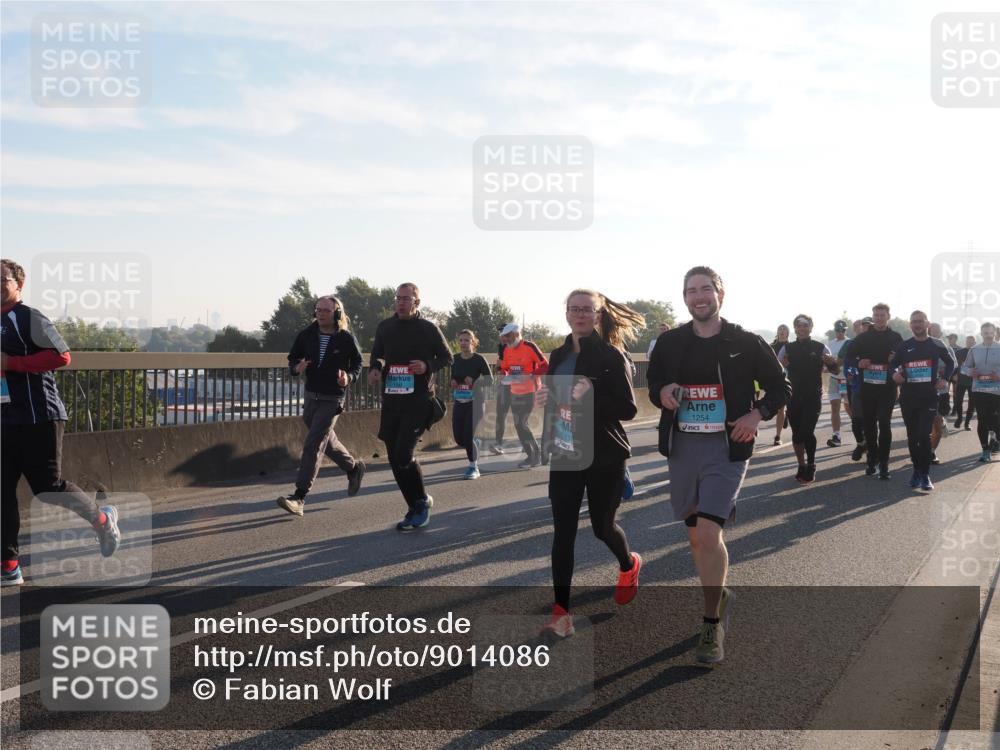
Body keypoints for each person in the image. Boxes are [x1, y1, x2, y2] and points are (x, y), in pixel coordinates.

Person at [648, 266, 790, 664]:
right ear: (685, 298)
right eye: (691, 290)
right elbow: (654, 385)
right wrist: (664, 391)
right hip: (682, 448)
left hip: (727, 448)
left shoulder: (745, 342)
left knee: (710, 533)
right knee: (696, 537)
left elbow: (781, 387)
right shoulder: (671, 342)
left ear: (720, 295)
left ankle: (711, 623)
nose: (699, 296)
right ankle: (719, 592)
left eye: (706, 289)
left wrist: (756, 415)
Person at [1, 259, 120, 585]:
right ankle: (8, 564)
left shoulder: (28, 317)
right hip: (4, 419)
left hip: (39, 416)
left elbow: (60, 355)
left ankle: (101, 520)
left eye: (2, 279)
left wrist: (11, 362)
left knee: (47, 488)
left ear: (18, 285)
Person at [537, 289, 645, 637]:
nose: (580, 314)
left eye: (587, 309)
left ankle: (628, 564)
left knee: (602, 527)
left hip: (605, 455)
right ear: (567, 314)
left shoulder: (612, 355)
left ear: (598, 315)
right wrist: (546, 399)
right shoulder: (558, 355)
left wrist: (590, 395)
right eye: (574, 309)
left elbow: (627, 408)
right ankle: (561, 613)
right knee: (563, 533)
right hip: (566, 452)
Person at [368, 283, 453, 530]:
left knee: (404, 454)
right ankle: (415, 505)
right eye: (398, 298)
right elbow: (378, 354)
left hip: (418, 401)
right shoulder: (385, 327)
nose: (401, 302)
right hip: (392, 399)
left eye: (406, 298)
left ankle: (421, 503)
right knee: (394, 457)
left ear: (417, 302)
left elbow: (447, 357)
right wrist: (375, 368)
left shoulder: (428, 328)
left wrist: (427, 366)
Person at [276, 296, 365, 516]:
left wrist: (348, 378)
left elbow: (358, 364)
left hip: (332, 398)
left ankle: (299, 496)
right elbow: (292, 359)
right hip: (311, 396)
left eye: (326, 310)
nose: (321, 314)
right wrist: (297, 368)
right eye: (318, 310)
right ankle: (353, 468)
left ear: (337, 314)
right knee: (327, 440)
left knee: (313, 443)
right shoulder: (306, 335)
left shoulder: (345, 338)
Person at [891, 311, 956, 490]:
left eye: (920, 321)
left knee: (923, 435)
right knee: (912, 437)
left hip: (929, 397)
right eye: (914, 322)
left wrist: (945, 379)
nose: (917, 324)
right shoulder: (905, 346)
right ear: (910, 325)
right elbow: (893, 364)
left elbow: (951, 363)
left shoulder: (936, 344)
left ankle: (925, 475)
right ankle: (916, 471)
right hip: (908, 398)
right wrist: (894, 374)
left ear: (927, 324)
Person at [778, 315, 839, 483]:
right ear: (795, 328)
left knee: (807, 431)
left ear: (811, 327)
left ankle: (811, 464)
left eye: (805, 325)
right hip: (794, 397)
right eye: (799, 325)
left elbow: (835, 371)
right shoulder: (786, 348)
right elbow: (777, 371)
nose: (802, 328)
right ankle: (801, 465)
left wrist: (831, 363)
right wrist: (783, 367)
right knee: (797, 435)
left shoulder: (821, 347)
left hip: (813, 397)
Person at [852, 303, 904, 480]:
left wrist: (896, 359)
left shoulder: (896, 337)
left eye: (882, 315)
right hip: (867, 388)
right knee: (869, 425)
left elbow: (905, 360)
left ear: (888, 316)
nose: (879, 318)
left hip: (887, 389)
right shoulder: (863, 337)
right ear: (873, 317)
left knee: (884, 422)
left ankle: (884, 464)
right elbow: (849, 358)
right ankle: (871, 460)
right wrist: (858, 362)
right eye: (876, 315)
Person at [498, 323, 548, 468]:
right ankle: (530, 456)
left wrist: (531, 375)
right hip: (514, 390)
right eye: (504, 337)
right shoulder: (506, 349)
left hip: (531, 390)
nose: (506, 340)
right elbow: (505, 368)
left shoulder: (529, 346)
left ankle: (535, 455)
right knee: (518, 424)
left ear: (516, 334)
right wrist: (503, 375)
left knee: (521, 423)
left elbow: (545, 365)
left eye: (508, 336)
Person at [451, 329, 493, 480]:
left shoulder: (479, 359)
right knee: (459, 439)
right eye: (461, 340)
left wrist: (475, 381)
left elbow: (490, 380)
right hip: (460, 401)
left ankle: (473, 467)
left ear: (473, 342)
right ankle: (475, 443)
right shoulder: (455, 359)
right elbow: (453, 378)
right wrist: (453, 382)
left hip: (476, 403)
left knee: (468, 437)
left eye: (467, 340)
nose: (463, 343)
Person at [965, 322, 1000, 463]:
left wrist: (998, 376)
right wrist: (970, 372)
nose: (989, 335)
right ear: (981, 334)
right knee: (982, 420)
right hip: (979, 390)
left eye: (991, 333)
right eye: (986, 333)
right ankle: (985, 450)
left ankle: (996, 439)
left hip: (996, 391)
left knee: (996, 421)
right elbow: (964, 367)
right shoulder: (974, 349)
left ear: (995, 333)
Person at [840, 318, 873, 461]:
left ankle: (871, 450)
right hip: (857, 388)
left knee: (871, 422)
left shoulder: (879, 343)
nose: (866, 329)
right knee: (856, 422)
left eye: (869, 326)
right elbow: (846, 363)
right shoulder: (851, 344)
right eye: (864, 326)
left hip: (875, 389)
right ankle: (861, 444)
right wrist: (851, 373)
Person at [927, 322, 956, 465]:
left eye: (937, 330)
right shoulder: (920, 346)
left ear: (941, 333)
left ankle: (932, 452)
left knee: (936, 424)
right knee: (925, 425)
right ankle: (924, 449)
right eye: (932, 330)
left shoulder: (946, 348)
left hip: (941, 391)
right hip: (923, 391)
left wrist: (944, 376)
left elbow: (953, 365)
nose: (934, 333)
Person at [826, 320, 850, 447]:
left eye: (842, 330)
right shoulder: (830, 344)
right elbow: (826, 360)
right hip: (834, 379)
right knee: (835, 407)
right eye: (838, 330)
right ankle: (836, 436)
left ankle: (860, 430)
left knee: (849, 408)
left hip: (846, 380)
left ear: (845, 330)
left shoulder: (849, 343)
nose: (840, 332)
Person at [491, 326, 512, 455]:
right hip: (504, 386)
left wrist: (503, 365)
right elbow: (500, 368)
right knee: (500, 416)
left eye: (505, 334)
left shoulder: (522, 347)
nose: (502, 337)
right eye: (501, 334)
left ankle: (527, 443)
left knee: (521, 418)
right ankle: (498, 444)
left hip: (519, 387)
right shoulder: (501, 347)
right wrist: (499, 370)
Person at [770, 325, 790, 446]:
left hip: (787, 379)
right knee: (777, 408)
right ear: (777, 332)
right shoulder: (770, 346)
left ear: (788, 333)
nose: (782, 331)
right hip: (773, 379)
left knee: (781, 408)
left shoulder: (791, 347)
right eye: (780, 329)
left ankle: (777, 436)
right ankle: (784, 415)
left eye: (784, 329)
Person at [953, 334, 977, 430]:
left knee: (972, 403)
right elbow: (954, 364)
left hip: (973, 382)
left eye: (971, 342)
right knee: (958, 401)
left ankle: (967, 423)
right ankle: (959, 418)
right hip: (961, 381)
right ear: (965, 342)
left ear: (975, 343)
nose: (969, 343)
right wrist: (954, 374)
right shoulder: (959, 352)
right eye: (968, 341)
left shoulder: (978, 352)